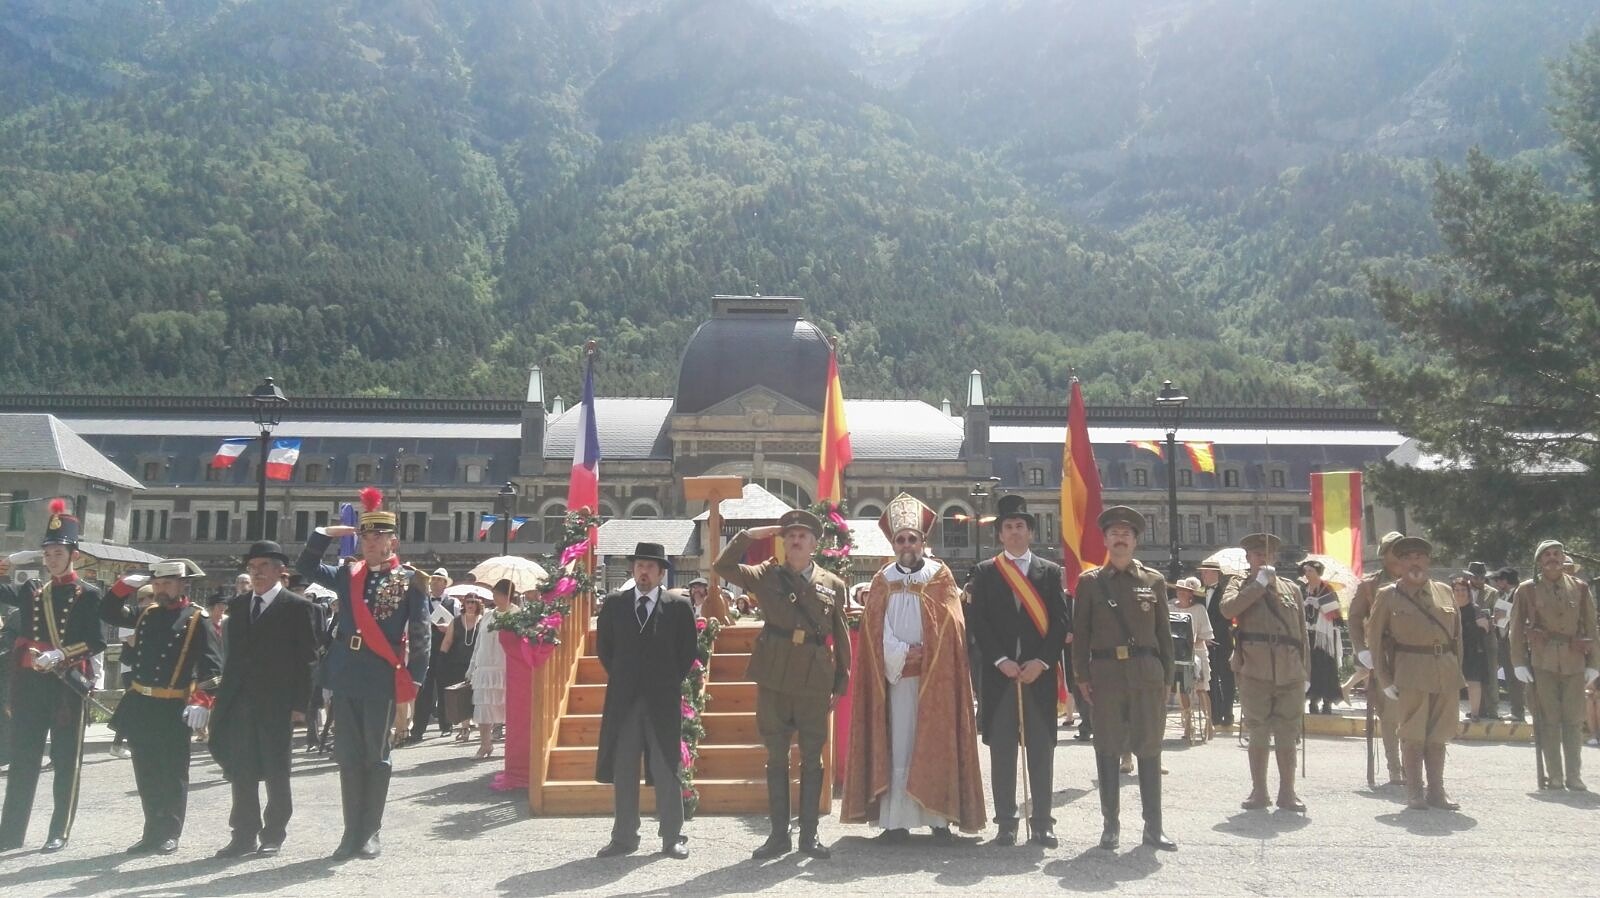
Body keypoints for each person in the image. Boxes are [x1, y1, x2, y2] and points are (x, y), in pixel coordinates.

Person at [841, 493, 985, 841]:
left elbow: (954, 624)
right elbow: (875, 628)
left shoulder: (941, 576)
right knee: (897, 743)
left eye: (912, 538)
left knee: (935, 742)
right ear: (894, 543)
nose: (907, 544)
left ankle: (939, 818)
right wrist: (901, 655)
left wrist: (930, 653)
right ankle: (896, 821)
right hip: (895, 679)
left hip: (935, 678)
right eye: (901, 539)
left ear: (924, 541)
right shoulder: (882, 579)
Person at [297, 488, 430, 860]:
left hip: (380, 676)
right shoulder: (347, 574)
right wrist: (324, 535)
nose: (371, 543)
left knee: (377, 754)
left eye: (378, 537)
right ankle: (349, 831)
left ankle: (370, 830)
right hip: (345, 674)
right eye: (366, 536)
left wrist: (414, 679)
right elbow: (306, 568)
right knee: (347, 755)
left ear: (393, 541)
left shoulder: (409, 580)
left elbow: (421, 635)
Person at [716, 511, 852, 860]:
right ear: (782, 540)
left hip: (813, 679)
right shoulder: (766, 575)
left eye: (802, 536)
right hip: (774, 676)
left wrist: (842, 677)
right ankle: (779, 835)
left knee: (812, 759)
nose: (795, 541)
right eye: (789, 535)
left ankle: (809, 835)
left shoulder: (833, 584)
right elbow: (722, 567)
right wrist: (749, 533)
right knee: (776, 758)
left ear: (814, 543)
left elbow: (840, 634)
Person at [0, 499, 105, 853]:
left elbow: (96, 641)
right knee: (23, 758)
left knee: (64, 760)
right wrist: (10, 561)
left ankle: (58, 830)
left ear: (73, 555)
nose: (51, 558)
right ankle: (10, 832)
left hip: (64, 687)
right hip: (30, 686)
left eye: (58, 552)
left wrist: (61, 653)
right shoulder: (33, 591)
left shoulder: (88, 594)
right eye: (47, 552)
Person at [966, 494, 1069, 848]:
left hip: (1037, 675)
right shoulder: (985, 571)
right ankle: (1007, 821)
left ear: (1030, 532)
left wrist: (1041, 662)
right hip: (1001, 676)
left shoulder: (1050, 571)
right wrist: (1000, 660)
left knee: (1041, 750)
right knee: (1003, 751)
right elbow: (978, 623)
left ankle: (1042, 821)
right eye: (1008, 527)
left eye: (1020, 526)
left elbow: (1060, 623)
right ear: (1000, 535)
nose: (1014, 532)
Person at [100, 557, 223, 853]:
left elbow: (214, 669)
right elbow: (107, 612)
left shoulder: (197, 618)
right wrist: (120, 587)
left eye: (167, 582)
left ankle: (170, 831)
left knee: (172, 772)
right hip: (141, 702)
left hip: (172, 706)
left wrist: (202, 700)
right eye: (156, 583)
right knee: (146, 771)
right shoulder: (146, 614)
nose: (160, 589)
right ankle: (151, 830)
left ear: (183, 584)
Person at [1073, 506, 1176, 851]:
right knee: (1106, 747)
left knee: (1149, 746)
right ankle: (1110, 825)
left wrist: (1168, 677)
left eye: (1126, 534)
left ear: (1135, 541)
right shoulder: (1089, 583)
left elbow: (1164, 634)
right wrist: (1081, 676)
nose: (1120, 538)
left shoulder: (1154, 581)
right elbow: (1081, 634)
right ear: (1105, 540)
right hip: (1106, 674)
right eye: (1114, 533)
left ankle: (1154, 827)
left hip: (1147, 672)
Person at [209, 540, 319, 858]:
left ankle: (274, 833)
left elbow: (308, 659)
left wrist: (301, 705)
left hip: (278, 704)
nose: (256, 574)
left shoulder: (298, 607)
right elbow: (232, 658)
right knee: (241, 771)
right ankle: (243, 834)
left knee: (275, 771)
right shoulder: (240, 606)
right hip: (242, 702)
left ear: (280, 571)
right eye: (252, 568)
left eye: (263, 567)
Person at [594, 542, 698, 860]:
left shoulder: (678, 607)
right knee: (625, 766)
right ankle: (624, 836)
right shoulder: (614, 604)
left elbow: (688, 652)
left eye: (651, 566)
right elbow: (605, 649)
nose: (644, 571)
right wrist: (626, 677)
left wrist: (665, 681)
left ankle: (671, 836)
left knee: (666, 765)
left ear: (661, 572)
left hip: (662, 698)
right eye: (640, 565)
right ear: (633, 569)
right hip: (624, 700)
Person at [1368, 537, 1464, 810]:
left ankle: (1437, 791)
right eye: (1408, 557)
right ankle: (1414, 791)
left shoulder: (1445, 592)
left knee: (1439, 734)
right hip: (1410, 671)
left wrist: (1457, 673)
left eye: (1419, 557)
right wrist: (1384, 679)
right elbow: (1374, 639)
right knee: (1413, 733)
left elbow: (1457, 640)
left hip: (1444, 671)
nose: (1414, 562)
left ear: (1428, 561)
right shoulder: (1388, 595)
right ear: (1399, 563)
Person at [1221, 531, 1309, 813]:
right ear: (1248, 558)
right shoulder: (1239, 584)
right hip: (1254, 668)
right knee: (1258, 731)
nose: (1263, 558)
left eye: (1268, 554)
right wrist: (1257, 585)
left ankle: (1287, 792)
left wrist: (1305, 671)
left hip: (1289, 670)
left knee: (1288, 732)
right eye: (1258, 554)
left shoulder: (1291, 589)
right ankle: (1259, 791)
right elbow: (1228, 609)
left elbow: (1302, 633)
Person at [1509, 539, 1599, 791]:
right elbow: (1515, 630)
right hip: (1542, 661)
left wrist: (1594, 663)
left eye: (1557, 554)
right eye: (1547, 554)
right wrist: (1518, 662)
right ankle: (1555, 775)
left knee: (1573, 720)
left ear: (1563, 558)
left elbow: (1592, 627)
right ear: (1539, 561)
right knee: (1548, 720)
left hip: (1574, 660)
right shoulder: (1527, 590)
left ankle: (1574, 775)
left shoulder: (1580, 588)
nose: (1552, 558)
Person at [1349, 531, 1407, 785]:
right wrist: (1361, 649)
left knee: (1415, 715)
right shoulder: (1370, 586)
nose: (1400, 556)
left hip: (1414, 656)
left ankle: (1414, 765)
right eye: (1395, 550)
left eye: (1404, 550)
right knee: (1391, 715)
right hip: (1383, 656)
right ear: (1384, 555)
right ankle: (1395, 767)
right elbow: (1353, 618)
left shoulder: (1417, 582)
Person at [408, 569, 458, 744]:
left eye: (439, 580)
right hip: (425, 649)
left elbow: (458, 627)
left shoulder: (454, 603)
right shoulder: (422, 601)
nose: (435, 583)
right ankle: (418, 729)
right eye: (434, 580)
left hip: (445, 650)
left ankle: (446, 725)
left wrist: (449, 630)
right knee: (423, 690)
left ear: (445, 584)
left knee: (445, 688)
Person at [467, 579, 514, 760]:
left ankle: (511, 746)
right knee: (483, 706)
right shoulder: (487, 615)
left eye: (497, 593)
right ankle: (485, 744)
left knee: (508, 706)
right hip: (485, 666)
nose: (493, 597)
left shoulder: (517, 614)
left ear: (506, 595)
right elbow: (478, 643)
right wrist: (472, 666)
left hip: (505, 666)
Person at [1171, 577, 1214, 741]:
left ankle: (1208, 722)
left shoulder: (1199, 609)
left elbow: (1205, 636)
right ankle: (1189, 724)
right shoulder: (1170, 607)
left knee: (1201, 688)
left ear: (1191, 594)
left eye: (1185, 591)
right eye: (1179, 590)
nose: (1181, 593)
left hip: (1196, 652)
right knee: (1182, 688)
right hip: (1177, 654)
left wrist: (1189, 642)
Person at [1301, 560, 1344, 715]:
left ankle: (1327, 701)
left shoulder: (1327, 589)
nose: (1307, 574)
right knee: (1311, 668)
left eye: (1310, 571)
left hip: (1324, 636)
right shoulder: (1304, 589)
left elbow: (1336, 614)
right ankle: (1313, 700)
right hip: (1309, 634)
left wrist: (1320, 604)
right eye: (1306, 571)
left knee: (1326, 667)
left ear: (1318, 572)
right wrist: (1304, 603)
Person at [437, 594, 480, 743]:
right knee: (462, 696)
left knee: (479, 696)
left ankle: (484, 727)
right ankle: (465, 727)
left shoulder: (483, 621)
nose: (471, 605)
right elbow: (447, 641)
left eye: (474, 602)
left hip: (478, 664)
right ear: (464, 604)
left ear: (478, 604)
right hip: (458, 663)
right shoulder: (455, 622)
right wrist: (441, 658)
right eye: (468, 602)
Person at [1200, 559, 1236, 728]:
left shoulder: (1225, 592)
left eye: (1206, 572)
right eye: (1202, 572)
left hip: (1222, 641)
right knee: (1210, 679)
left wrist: (1213, 636)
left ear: (1216, 574)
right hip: (1205, 643)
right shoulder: (1201, 594)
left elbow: (1225, 618)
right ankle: (1215, 714)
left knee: (1226, 678)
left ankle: (1227, 714)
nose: (1203, 575)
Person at [1464, 562, 1502, 719]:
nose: (1479, 580)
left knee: (1491, 673)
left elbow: (1501, 617)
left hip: (1487, 636)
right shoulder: (1461, 589)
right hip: (1467, 637)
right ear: (1470, 576)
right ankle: (1476, 708)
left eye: (1482, 577)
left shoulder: (1492, 593)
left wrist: (1490, 619)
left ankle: (1492, 710)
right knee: (1471, 675)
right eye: (1476, 577)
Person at [1450, 577, 1490, 721]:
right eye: (1457, 590)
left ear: (1468, 592)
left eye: (1463, 590)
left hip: (1473, 650)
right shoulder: (1449, 609)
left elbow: (1484, 629)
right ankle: (1451, 715)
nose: (1460, 593)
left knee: (1473, 682)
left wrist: (1476, 626)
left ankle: (1475, 714)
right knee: (1452, 684)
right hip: (1452, 650)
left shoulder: (1475, 609)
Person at [1490, 567, 1525, 722]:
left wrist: (1507, 614)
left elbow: (1525, 614)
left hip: (1517, 642)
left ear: (1505, 580)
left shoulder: (1520, 593)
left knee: (1518, 678)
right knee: (1511, 678)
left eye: (1498, 580)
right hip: (1503, 641)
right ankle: (1516, 710)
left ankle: (1519, 712)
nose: (1497, 583)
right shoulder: (1503, 596)